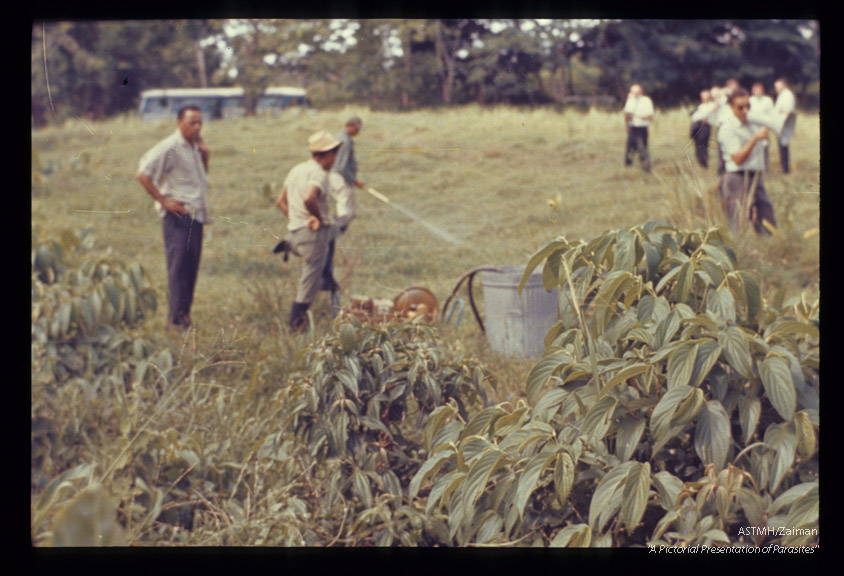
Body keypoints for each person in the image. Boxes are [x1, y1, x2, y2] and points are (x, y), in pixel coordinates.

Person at [136, 105, 211, 332]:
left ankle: (184, 316)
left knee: (191, 267)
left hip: (195, 214)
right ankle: (175, 322)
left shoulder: (196, 146)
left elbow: (200, 178)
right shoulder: (170, 146)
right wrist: (163, 201)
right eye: (191, 123)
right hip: (178, 217)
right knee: (179, 268)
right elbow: (143, 173)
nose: (197, 127)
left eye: (199, 122)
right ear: (179, 123)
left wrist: (205, 155)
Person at [276, 130, 342, 332]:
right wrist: (318, 219)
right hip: (312, 235)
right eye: (334, 154)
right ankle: (296, 324)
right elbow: (309, 198)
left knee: (332, 232)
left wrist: (297, 220)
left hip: (295, 232)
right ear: (328, 154)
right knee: (310, 280)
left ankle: (328, 279)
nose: (335, 159)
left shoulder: (297, 169)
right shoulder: (319, 174)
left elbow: (280, 202)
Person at [716, 88, 777, 235]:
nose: (745, 110)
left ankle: (769, 249)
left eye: (748, 106)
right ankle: (738, 253)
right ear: (731, 107)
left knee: (766, 216)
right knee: (736, 221)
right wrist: (755, 138)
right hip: (736, 177)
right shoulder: (727, 128)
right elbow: (737, 158)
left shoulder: (751, 123)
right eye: (740, 107)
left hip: (755, 176)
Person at [321, 117, 363, 293]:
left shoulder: (340, 137)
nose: (359, 131)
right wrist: (353, 180)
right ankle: (333, 233)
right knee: (346, 211)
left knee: (344, 208)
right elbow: (342, 166)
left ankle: (333, 231)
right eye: (358, 128)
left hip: (337, 177)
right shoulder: (345, 141)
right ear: (351, 126)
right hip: (340, 178)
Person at [623, 84, 654, 172]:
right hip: (632, 127)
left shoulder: (646, 101)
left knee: (643, 147)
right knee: (629, 147)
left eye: (636, 92)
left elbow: (650, 116)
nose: (635, 94)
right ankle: (628, 167)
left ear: (641, 92)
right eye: (633, 92)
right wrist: (627, 121)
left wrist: (640, 116)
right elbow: (626, 115)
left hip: (642, 127)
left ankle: (646, 166)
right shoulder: (630, 101)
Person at [749, 82, 775, 171]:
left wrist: (767, 128)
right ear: (753, 91)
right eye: (755, 90)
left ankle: (765, 168)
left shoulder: (767, 100)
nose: (757, 92)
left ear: (762, 91)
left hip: (764, 127)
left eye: (759, 90)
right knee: (753, 147)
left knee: (764, 147)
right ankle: (755, 168)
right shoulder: (750, 100)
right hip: (752, 128)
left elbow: (771, 115)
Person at [774, 78, 797, 173]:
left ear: (784, 85)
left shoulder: (787, 95)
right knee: (782, 146)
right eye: (776, 87)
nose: (777, 89)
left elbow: (787, 111)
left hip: (784, 124)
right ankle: (784, 167)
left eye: (778, 87)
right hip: (780, 124)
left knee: (784, 146)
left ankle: (785, 169)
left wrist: (781, 123)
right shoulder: (782, 95)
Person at [689, 89, 714, 168]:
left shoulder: (711, 105)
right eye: (702, 96)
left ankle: (704, 164)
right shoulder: (701, 106)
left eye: (705, 96)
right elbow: (694, 116)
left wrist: (699, 116)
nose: (703, 97)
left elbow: (703, 116)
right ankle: (701, 163)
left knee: (702, 146)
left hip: (704, 127)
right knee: (697, 145)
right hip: (697, 125)